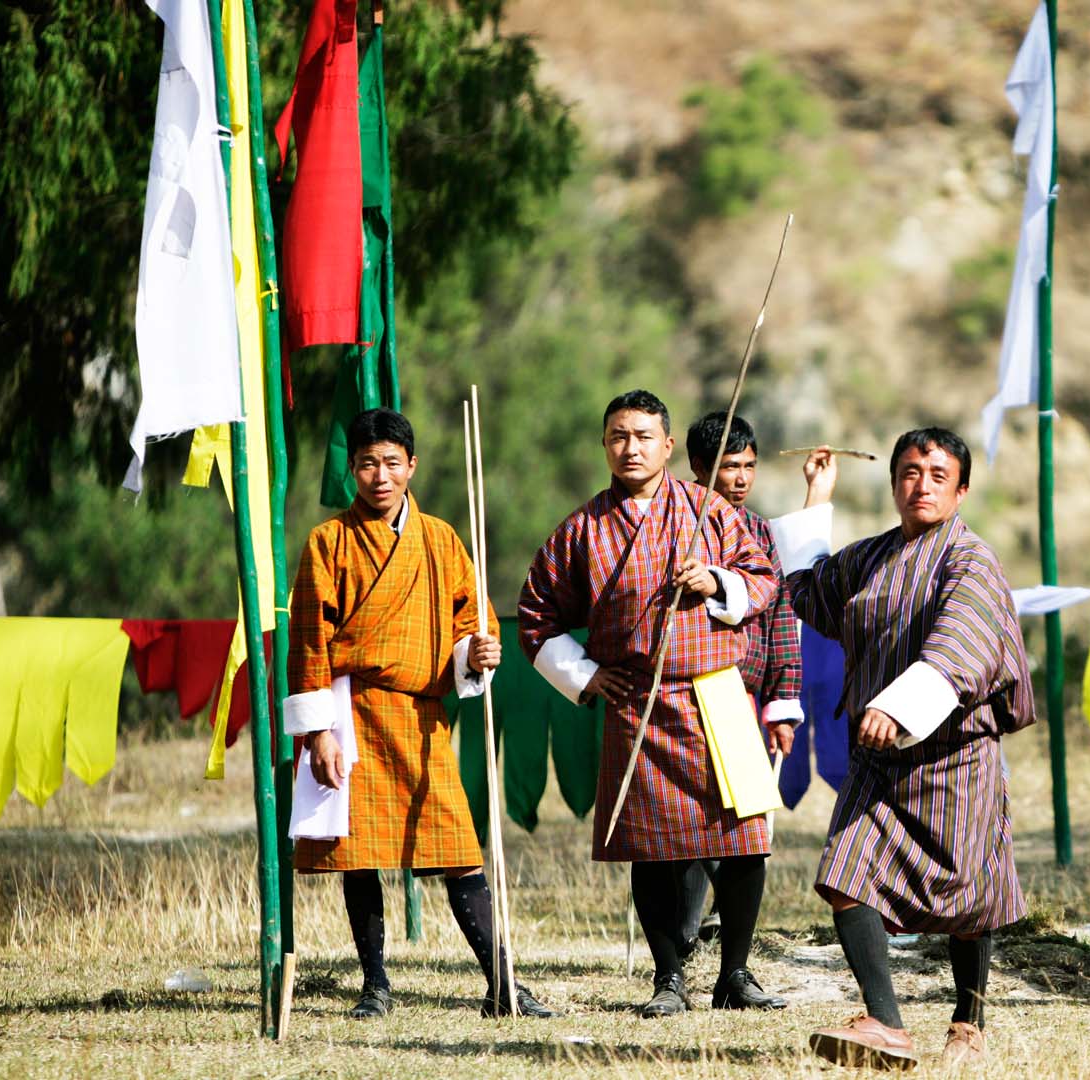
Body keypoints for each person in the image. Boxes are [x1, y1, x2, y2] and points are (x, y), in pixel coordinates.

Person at [771, 429, 1034, 1069]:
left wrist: (900, 704)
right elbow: (808, 589)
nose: (922, 484)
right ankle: (886, 1025)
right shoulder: (869, 557)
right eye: (910, 473)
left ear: (961, 489)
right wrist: (817, 495)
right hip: (876, 758)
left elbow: (962, 643)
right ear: (893, 484)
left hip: (954, 756)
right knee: (844, 875)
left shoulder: (972, 561)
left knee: (971, 900)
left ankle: (968, 1021)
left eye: (938, 475)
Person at [516, 389, 782, 1018]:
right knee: (650, 846)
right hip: (638, 700)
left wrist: (716, 580)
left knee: (747, 840)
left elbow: (766, 579)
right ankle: (669, 978)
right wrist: (584, 674)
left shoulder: (708, 509)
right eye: (617, 436)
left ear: (667, 446)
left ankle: (735, 973)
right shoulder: (580, 529)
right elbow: (534, 615)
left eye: (642, 436)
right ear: (604, 445)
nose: (629, 447)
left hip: (718, 689)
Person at [284, 407, 550, 1020]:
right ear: (352, 468)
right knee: (359, 854)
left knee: (457, 846)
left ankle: (502, 984)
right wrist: (318, 731)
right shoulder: (327, 542)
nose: (381, 475)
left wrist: (477, 652)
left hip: (422, 715)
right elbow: (308, 643)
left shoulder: (443, 540)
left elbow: (469, 624)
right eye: (368, 463)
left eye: (392, 463)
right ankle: (375, 985)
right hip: (351, 712)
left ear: (412, 467)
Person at [674, 411, 802, 975]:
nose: (742, 478)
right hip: (676, 695)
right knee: (676, 826)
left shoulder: (760, 535)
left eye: (749, 466)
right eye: (730, 466)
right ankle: (675, 949)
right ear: (699, 467)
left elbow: (778, 620)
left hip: (735, 698)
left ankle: (734, 964)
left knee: (745, 830)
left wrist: (781, 706)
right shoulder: (669, 525)